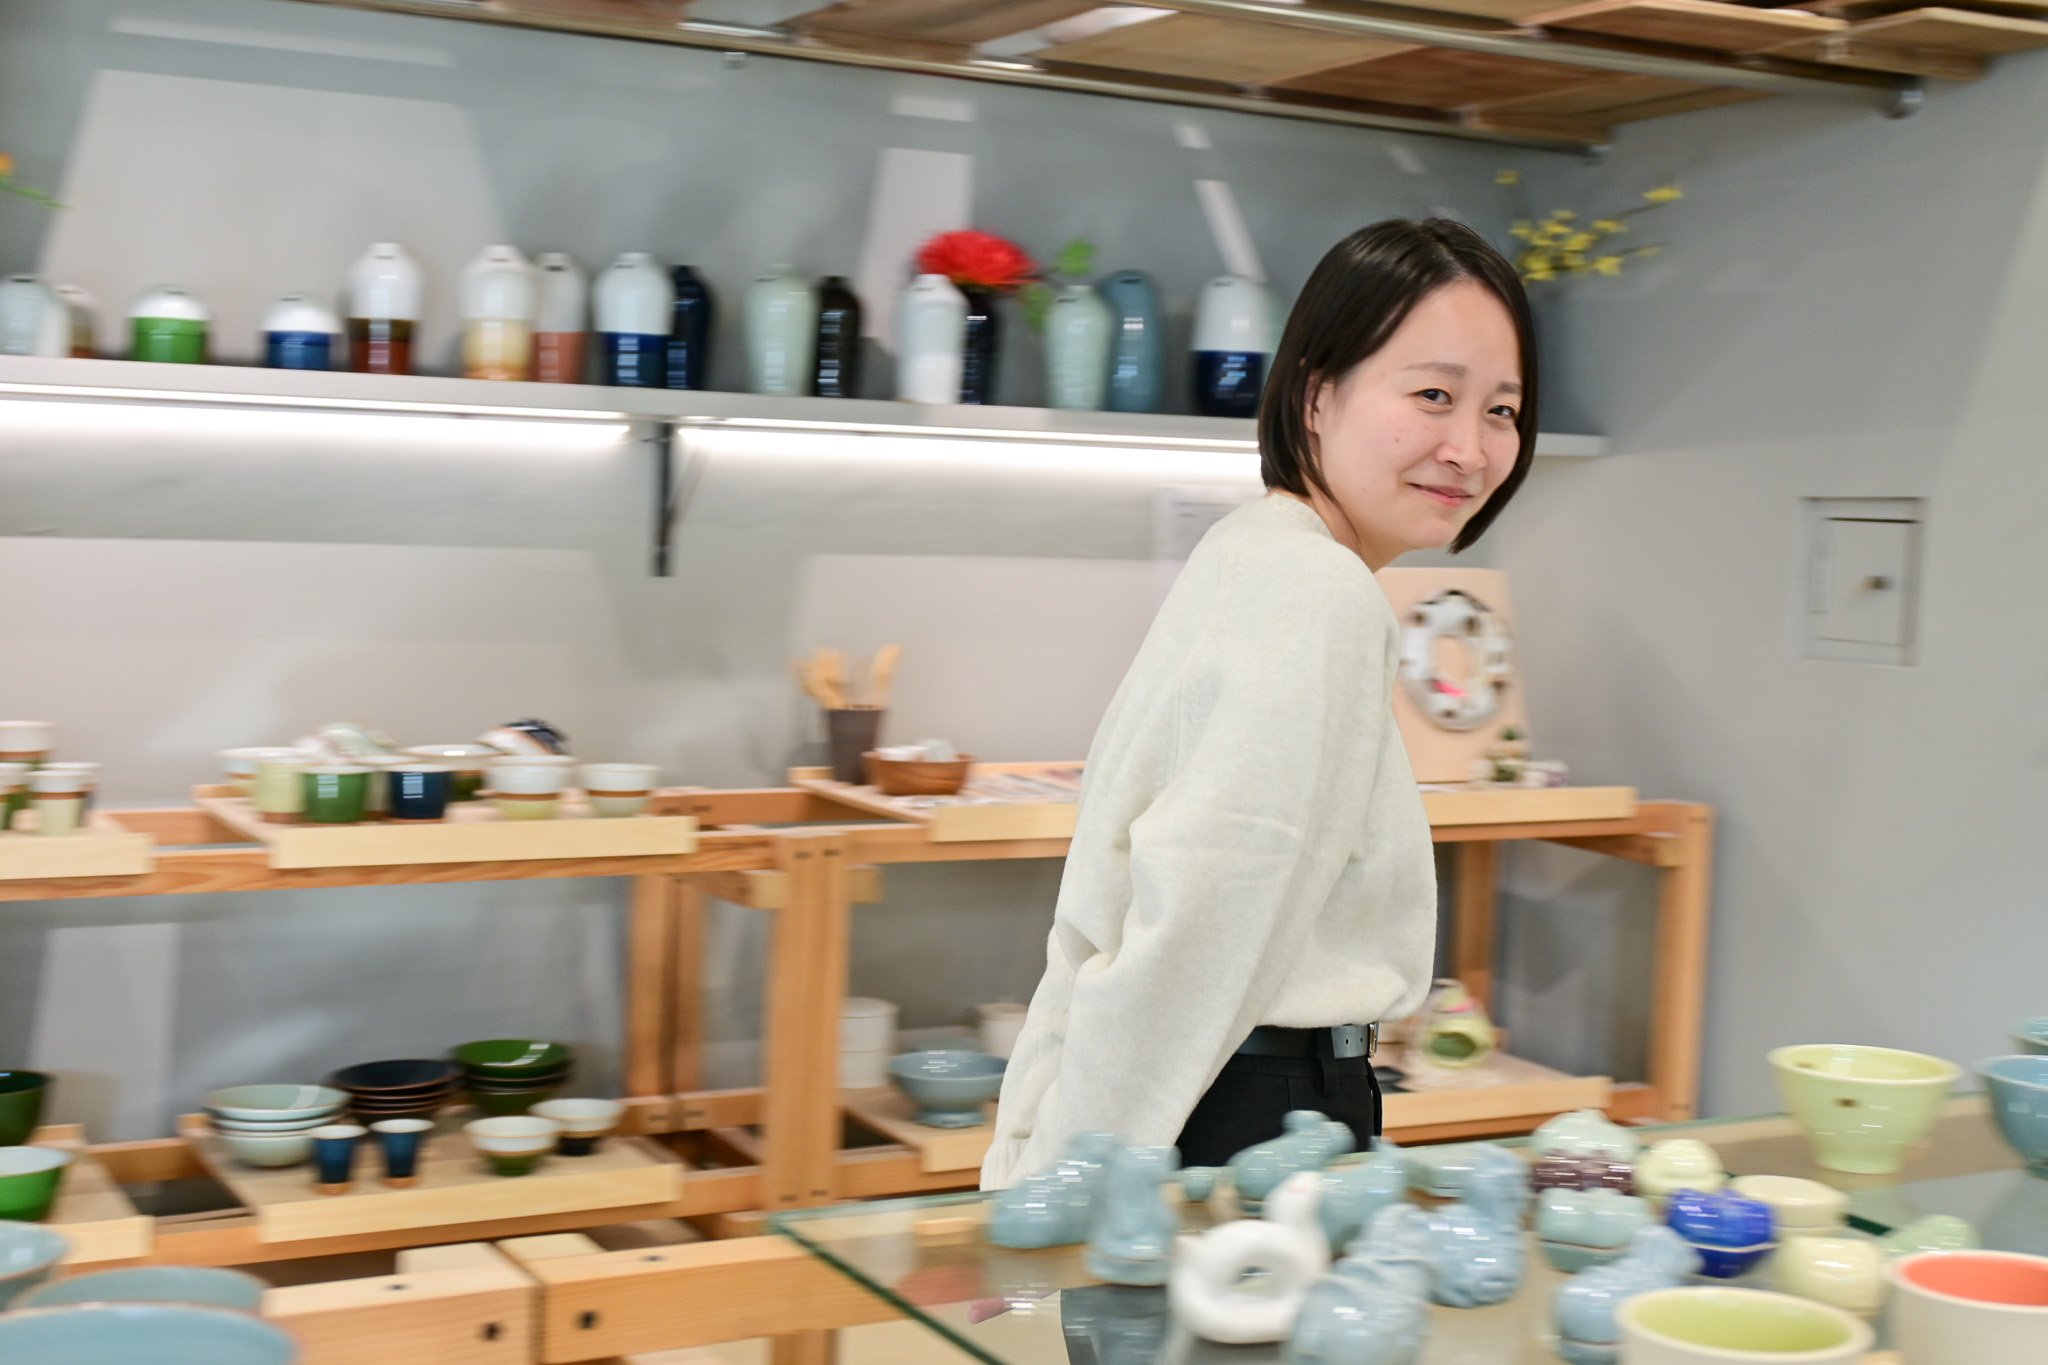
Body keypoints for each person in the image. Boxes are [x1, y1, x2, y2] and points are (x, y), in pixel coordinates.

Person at [982, 218, 1539, 1185]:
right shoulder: (1318, 591)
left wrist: (1044, 1152)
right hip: (1242, 1115)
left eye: (1501, 409)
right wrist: (1077, 1181)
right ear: (1318, 394)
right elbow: (1202, 920)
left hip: (1209, 1103)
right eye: (1434, 395)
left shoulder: (1257, 552)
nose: (1469, 447)